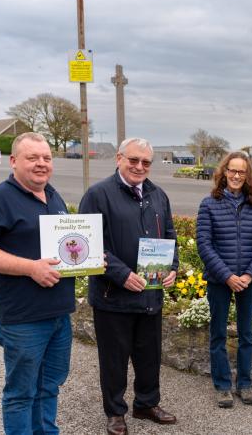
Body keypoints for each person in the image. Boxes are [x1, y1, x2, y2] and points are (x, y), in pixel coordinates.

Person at [0, 132, 75, 434]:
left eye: (47, 158)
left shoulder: (53, 196)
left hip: (59, 314)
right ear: (13, 161)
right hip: (24, 318)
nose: (41, 163)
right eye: (32, 157)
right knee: (21, 394)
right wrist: (30, 268)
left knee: (49, 387)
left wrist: (88, 260)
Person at [79, 138, 179, 435]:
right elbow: (87, 243)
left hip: (150, 295)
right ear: (119, 159)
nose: (139, 167)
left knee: (149, 356)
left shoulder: (158, 195)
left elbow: (170, 236)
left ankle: (146, 404)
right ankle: (115, 412)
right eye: (133, 160)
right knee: (114, 360)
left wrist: (172, 268)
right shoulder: (98, 195)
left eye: (145, 162)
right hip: (113, 296)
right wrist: (121, 274)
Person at [196, 151, 252, 409]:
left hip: (248, 280)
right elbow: (204, 245)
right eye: (232, 170)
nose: (237, 176)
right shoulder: (209, 204)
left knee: (246, 334)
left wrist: (249, 275)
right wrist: (227, 276)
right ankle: (223, 386)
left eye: (242, 171)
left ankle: (245, 384)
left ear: (247, 175)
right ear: (224, 172)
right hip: (220, 280)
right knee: (218, 333)